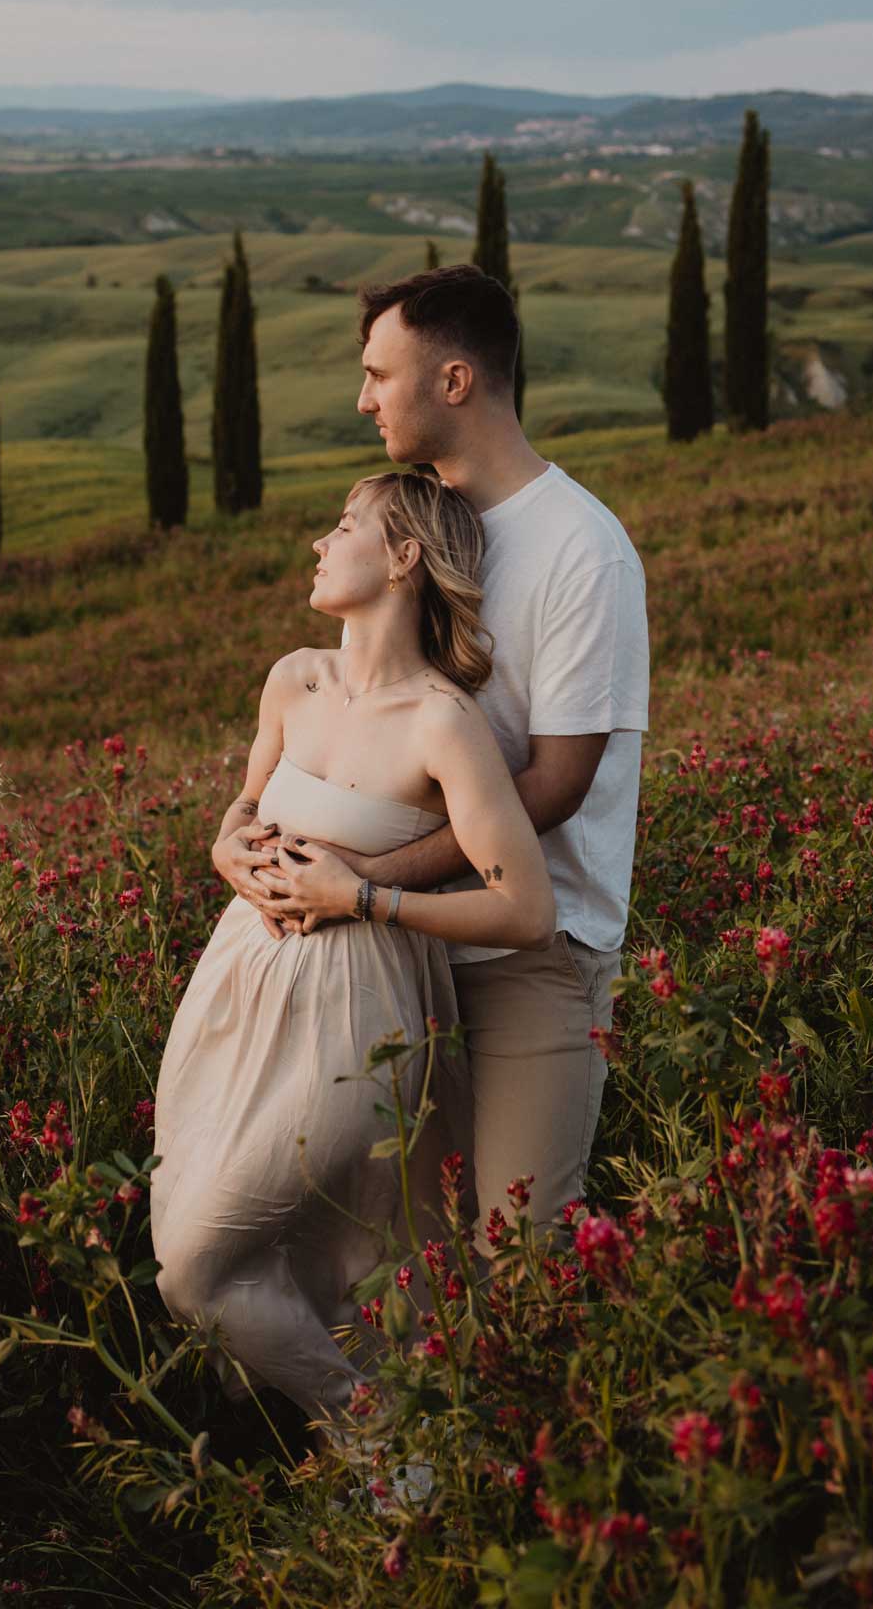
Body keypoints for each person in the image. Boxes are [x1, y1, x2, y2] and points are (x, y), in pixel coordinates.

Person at [225, 264, 649, 1252]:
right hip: (384, 955)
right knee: (390, 1257)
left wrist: (362, 881)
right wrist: (252, 846)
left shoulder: (582, 553)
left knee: (518, 1256)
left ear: (453, 382)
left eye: (380, 373)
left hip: (525, 960)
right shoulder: (401, 529)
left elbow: (553, 783)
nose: (361, 397)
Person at [149, 470, 554, 1435]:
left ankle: (373, 1441)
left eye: (343, 526)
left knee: (200, 1267)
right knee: (202, 1247)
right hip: (240, 986)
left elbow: (526, 907)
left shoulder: (442, 723)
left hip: (357, 1006)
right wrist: (223, 843)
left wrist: (366, 895)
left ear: (405, 557)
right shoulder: (294, 678)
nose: (318, 545)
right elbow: (248, 806)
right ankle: (400, 1471)